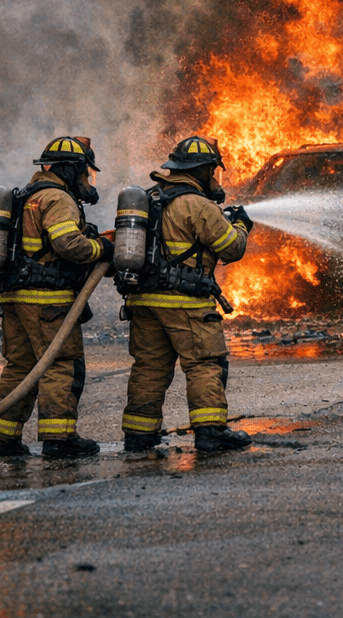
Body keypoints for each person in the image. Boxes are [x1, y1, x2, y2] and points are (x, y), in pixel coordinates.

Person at [120, 136, 253, 453]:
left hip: (143, 301)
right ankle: (210, 432)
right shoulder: (197, 206)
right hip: (186, 303)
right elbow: (232, 248)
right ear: (204, 170)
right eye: (213, 172)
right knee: (205, 364)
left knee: (149, 369)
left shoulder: (152, 198)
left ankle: (139, 435)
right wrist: (242, 225)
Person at [0, 136, 112, 459]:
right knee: (60, 365)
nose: (87, 180)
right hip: (48, 301)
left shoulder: (25, 196)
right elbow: (68, 244)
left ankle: (4, 437)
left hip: (15, 298)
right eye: (85, 172)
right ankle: (60, 438)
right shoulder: (58, 199)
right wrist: (102, 248)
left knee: (20, 367)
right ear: (70, 170)